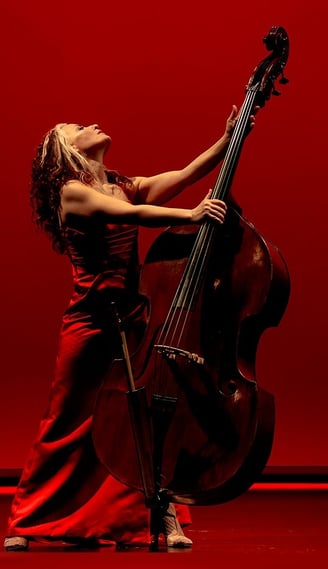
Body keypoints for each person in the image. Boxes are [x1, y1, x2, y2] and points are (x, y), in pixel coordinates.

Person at [4, 105, 256, 552]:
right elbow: (133, 217)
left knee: (141, 418)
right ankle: (28, 517)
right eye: (77, 127)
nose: (90, 124)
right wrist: (191, 216)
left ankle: (164, 517)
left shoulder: (123, 185)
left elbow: (184, 173)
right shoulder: (70, 193)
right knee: (65, 420)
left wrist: (227, 139)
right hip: (88, 322)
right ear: (64, 150)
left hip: (133, 318)